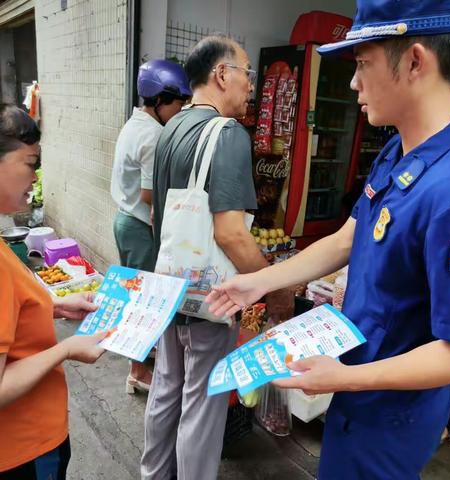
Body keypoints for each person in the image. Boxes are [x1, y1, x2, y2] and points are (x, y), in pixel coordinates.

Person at [207, 1, 450, 478]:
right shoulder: (398, 147)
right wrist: (261, 282)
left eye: (362, 63)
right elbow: (344, 241)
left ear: (415, 61)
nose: (353, 82)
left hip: (392, 414)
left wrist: (349, 380)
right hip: (359, 387)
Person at [141, 35, 292, 480]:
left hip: (169, 285)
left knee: (167, 388)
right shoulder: (226, 134)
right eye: (247, 73)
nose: (252, 85)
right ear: (222, 74)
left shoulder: (169, 128)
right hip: (211, 299)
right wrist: (275, 286)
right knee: (203, 406)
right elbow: (230, 234)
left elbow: (158, 213)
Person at [0, 104, 108, 479]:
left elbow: (11, 313)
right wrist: (66, 349)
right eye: (30, 163)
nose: (37, 175)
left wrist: (56, 305)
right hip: (22, 450)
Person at [111, 59, 191, 394]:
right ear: (159, 101)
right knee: (144, 301)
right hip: (140, 227)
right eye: (177, 103)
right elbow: (149, 195)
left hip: (125, 221)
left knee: (137, 296)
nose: (181, 110)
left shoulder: (134, 123)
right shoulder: (154, 135)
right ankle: (137, 371)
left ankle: (141, 357)